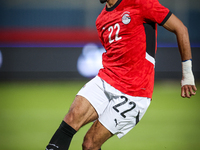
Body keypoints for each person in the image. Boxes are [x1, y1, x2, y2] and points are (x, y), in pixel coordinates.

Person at [46, 0, 197, 149]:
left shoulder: (140, 3)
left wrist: (187, 74)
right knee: (71, 118)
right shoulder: (101, 20)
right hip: (107, 79)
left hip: (134, 91)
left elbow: (180, 28)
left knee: (90, 143)